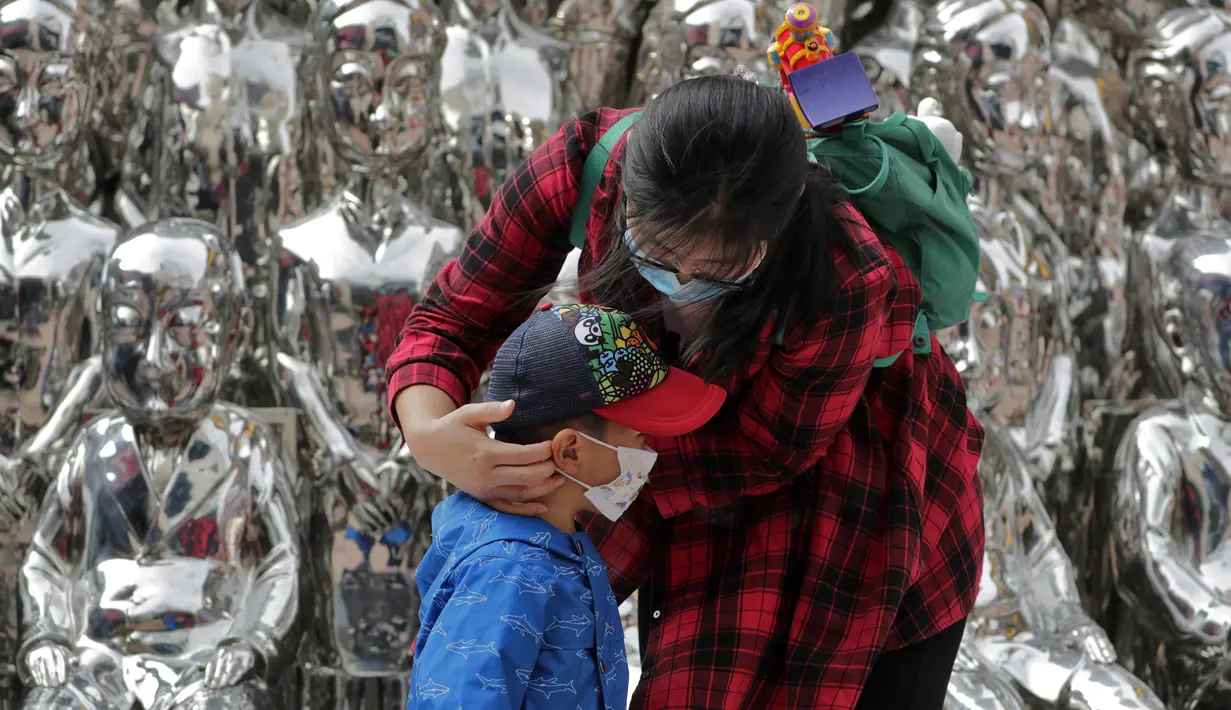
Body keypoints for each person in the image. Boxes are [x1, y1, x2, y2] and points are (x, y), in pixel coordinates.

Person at [388, 74, 984, 709]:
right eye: (656, 250)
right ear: (629, 201)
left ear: (772, 238)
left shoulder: (849, 275)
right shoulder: (587, 163)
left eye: (719, 270)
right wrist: (431, 435)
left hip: (844, 492)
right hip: (635, 454)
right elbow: (453, 318)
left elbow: (766, 451)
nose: (679, 285)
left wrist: (597, 469)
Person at [408, 303, 726, 709]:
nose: (650, 452)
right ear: (570, 452)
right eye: (640, 436)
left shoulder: (558, 544)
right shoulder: (509, 571)